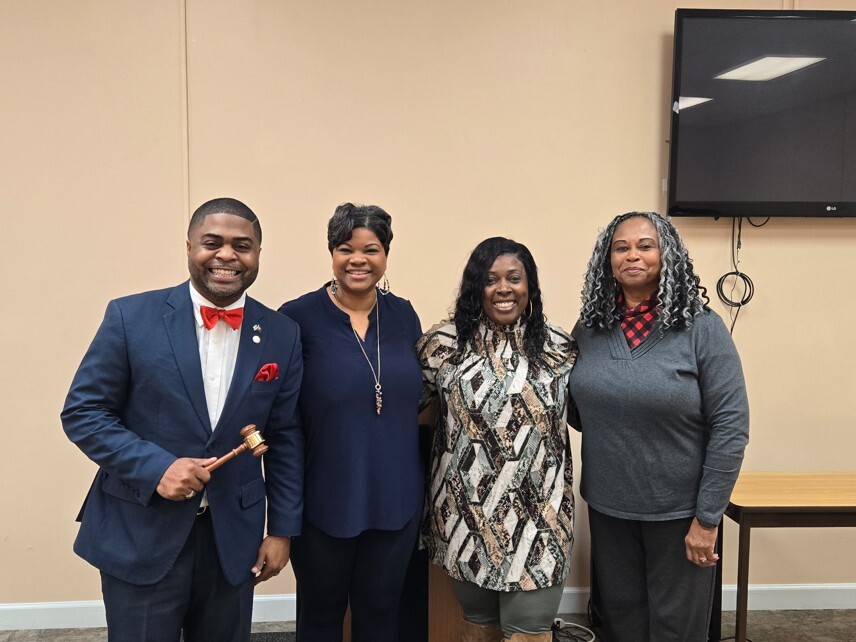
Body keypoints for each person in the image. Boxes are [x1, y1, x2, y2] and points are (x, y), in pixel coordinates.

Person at [61, 198, 304, 642]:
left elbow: (284, 436)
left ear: (257, 255)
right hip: (141, 530)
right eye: (212, 242)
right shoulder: (130, 316)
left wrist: (282, 530)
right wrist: (158, 468)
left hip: (234, 539)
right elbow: (84, 412)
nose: (227, 255)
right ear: (189, 246)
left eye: (242, 245)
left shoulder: (282, 333)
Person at [568, 211, 750, 641]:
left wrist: (707, 519)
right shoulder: (590, 329)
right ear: (606, 259)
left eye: (645, 246)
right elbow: (578, 409)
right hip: (610, 508)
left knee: (677, 630)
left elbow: (731, 426)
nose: (633, 255)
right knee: (621, 623)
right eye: (621, 247)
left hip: (681, 514)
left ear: (667, 256)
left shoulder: (703, 330)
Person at [417, 237, 576, 642]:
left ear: (529, 286)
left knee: (530, 631)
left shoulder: (561, 348)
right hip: (464, 517)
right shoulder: (442, 347)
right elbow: (404, 411)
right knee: (479, 630)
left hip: (542, 519)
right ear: (476, 287)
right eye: (490, 280)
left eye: (514, 278)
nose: (503, 288)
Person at [278, 203, 424, 642]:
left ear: (386, 255)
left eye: (371, 249)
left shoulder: (403, 314)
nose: (358, 260)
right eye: (346, 249)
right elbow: (282, 414)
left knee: (381, 614)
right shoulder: (297, 317)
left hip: (396, 498)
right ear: (332, 253)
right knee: (321, 617)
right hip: (324, 498)